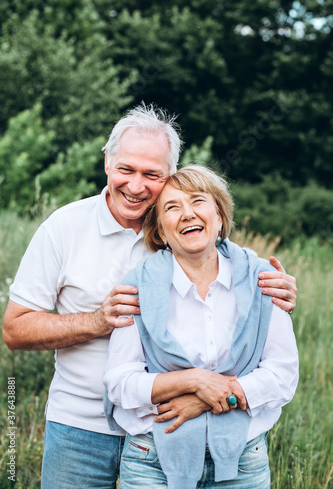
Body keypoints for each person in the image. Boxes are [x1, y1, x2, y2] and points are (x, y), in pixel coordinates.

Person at [3, 104, 297, 488]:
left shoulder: (184, 230)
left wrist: (281, 287)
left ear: (170, 175)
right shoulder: (63, 227)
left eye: (152, 174)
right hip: (80, 428)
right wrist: (97, 320)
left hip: (175, 428)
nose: (137, 185)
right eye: (126, 169)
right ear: (107, 162)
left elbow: (237, 280)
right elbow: (14, 330)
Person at [103, 165, 299, 489]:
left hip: (242, 462)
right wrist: (194, 380)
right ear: (160, 231)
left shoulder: (263, 279)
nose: (187, 214)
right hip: (151, 459)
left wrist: (206, 398)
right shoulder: (138, 286)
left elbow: (283, 375)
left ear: (220, 217)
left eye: (198, 201)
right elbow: (120, 382)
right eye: (172, 207)